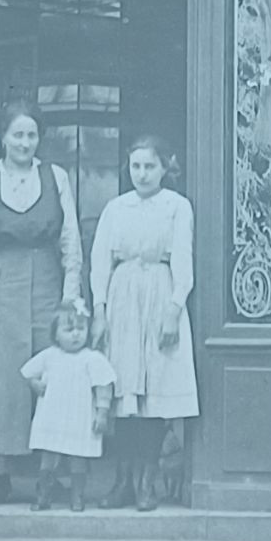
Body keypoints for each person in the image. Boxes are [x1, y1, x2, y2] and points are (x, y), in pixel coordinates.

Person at [0, 101, 84, 503]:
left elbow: (71, 241)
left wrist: (70, 295)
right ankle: (2, 472)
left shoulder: (55, 177)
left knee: (57, 378)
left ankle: (55, 470)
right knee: (4, 380)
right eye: (18, 134)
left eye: (32, 135)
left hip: (48, 282)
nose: (25, 143)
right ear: (3, 138)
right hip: (3, 284)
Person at [89, 134, 198, 511]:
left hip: (159, 294)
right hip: (122, 299)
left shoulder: (177, 207)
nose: (142, 173)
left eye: (149, 166)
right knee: (123, 390)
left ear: (165, 167)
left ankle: (146, 483)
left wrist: (174, 309)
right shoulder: (116, 208)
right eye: (135, 166)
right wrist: (99, 309)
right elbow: (100, 261)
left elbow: (182, 262)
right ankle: (122, 480)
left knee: (152, 393)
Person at [21, 302, 116, 512]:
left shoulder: (92, 358)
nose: (76, 335)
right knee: (48, 457)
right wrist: (36, 385)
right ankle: (43, 495)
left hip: (78, 418)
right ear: (55, 334)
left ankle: (77, 497)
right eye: (69, 330)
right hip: (53, 417)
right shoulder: (49, 356)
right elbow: (28, 373)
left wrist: (102, 413)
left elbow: (104, 386)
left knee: (78, 458)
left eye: (81, 329)